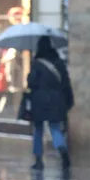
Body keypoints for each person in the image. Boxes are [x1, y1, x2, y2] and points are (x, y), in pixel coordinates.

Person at [27, 36, 74, 170]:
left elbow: (31, 83)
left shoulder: (37, 63)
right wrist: (68, 101)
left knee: (38, 130)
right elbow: (66, 83)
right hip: (56, 99)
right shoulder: (58, 63)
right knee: (55, 128)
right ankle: (62, 150)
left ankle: (38, 160)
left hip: (39, 100)